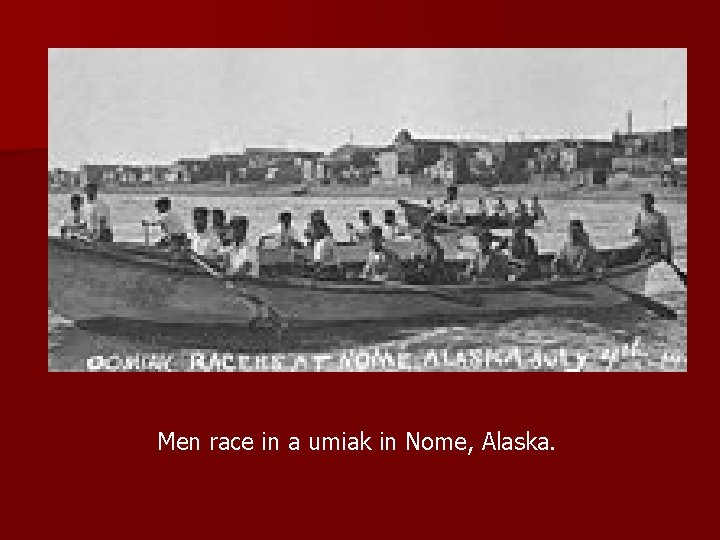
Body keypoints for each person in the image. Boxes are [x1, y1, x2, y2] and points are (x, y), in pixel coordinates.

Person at [632, 193, 672, 259]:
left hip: (655, 246)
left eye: (646, 201)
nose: (644, 204)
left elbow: (667, 236)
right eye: (642, 201)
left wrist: (668, 253)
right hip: (643, 245)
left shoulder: (660, 217)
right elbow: (635, 232)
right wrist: (635, 232)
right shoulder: (639, 216)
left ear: (652, 202)